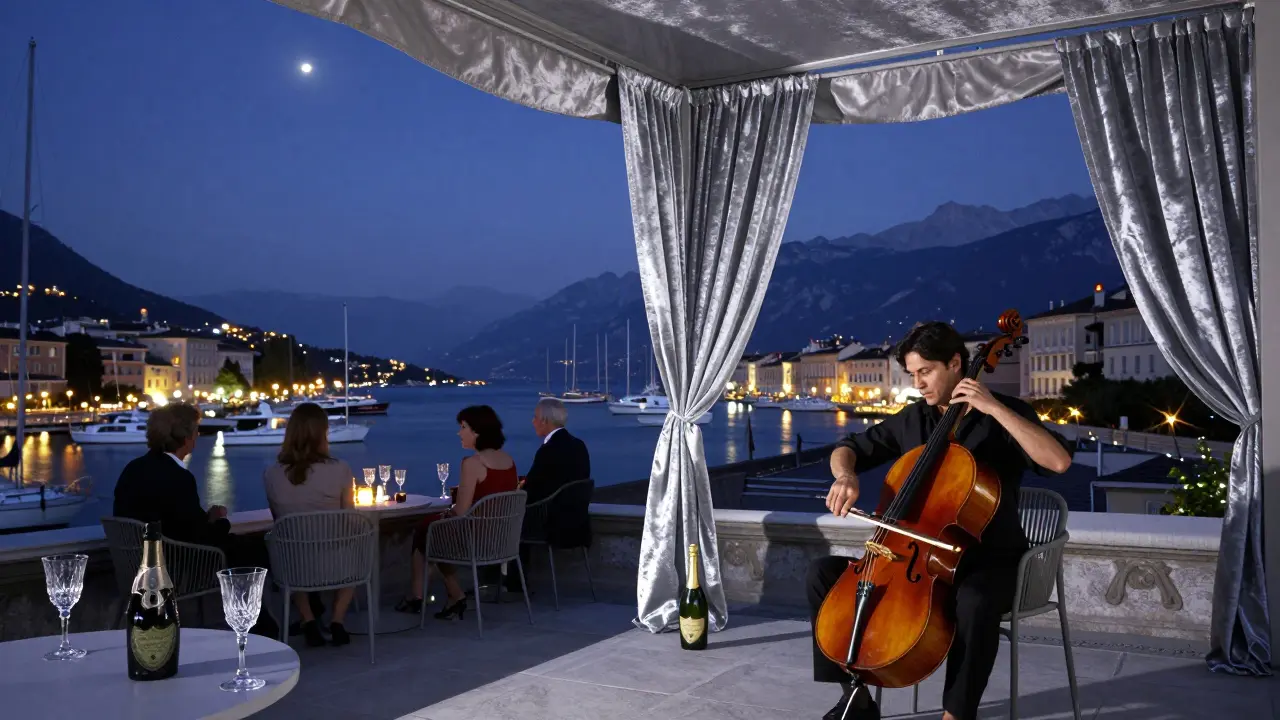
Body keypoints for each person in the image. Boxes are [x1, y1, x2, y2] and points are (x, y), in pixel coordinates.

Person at [808, 322, 1072, 720]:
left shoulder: (1004, 414)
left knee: (975, 598)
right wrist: (845, 476)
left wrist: (995, 408)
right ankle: (856, 699)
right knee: (823, 575)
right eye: (912, 374)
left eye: (925, 372)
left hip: (992, 562)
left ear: (955, 363)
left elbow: (1058, 461)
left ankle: (956, 714)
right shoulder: (914, 418)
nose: (918, 384)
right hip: (919, 563)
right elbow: (847, 449)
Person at [114, 403, 278, 638]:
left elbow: (173, 517)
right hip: (176, 565)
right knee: (251, 550)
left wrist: (206, 518)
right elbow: (197, 536)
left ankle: (262, 622)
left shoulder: (133, 469)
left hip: (135, 564)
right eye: (196, 431)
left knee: (241, 547)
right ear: (187, 437)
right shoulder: (179, 478)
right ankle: (257, 624)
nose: (197, 436)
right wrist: (223, 523)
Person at [395, 405, 519, 618]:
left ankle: (418, 596)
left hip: (475, 540)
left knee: (427, 529)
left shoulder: (473, 463)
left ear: (477, 431)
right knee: (436, 531)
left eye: (463, 427)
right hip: (502, 539)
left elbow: (461, 511)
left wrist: (444, 514)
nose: (459, 433)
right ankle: (454, 596)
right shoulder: (509, 461)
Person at [262, 402, 356, 647]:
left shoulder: (272, 474)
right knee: (358, 549)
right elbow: (349, 518)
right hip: (337, 563)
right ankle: (337, 621)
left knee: (289, 554)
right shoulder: (341, 469)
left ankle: (308, 619)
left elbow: (279, 522)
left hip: (294, 564)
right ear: (322, 433)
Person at [505, 397, 591, 593]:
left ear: (545, 420)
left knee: (509, 521)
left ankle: (512, 584)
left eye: (535, 417)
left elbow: (534, 489)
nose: (532, 421)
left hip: (553, 523)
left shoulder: (548, 450)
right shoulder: (579, 445)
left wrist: (517, 491)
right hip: (577, 520)